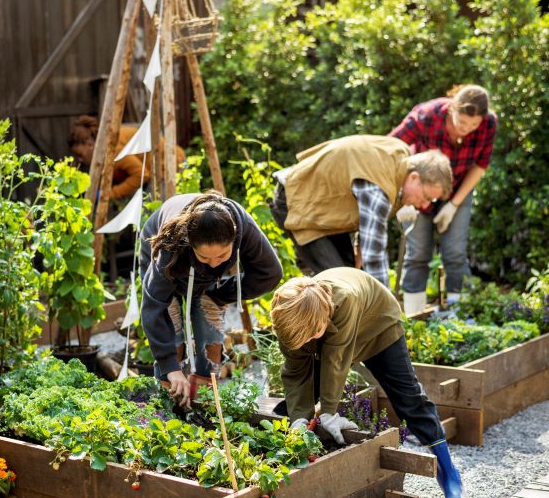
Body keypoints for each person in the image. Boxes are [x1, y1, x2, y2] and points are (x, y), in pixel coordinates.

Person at [270, 267, 470, 498]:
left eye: (313, 335)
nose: (306, 342)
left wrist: (329, 411)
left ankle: (449, 474)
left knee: (408, 399)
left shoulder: (345, 299)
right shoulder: (289, 316)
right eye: (302, 340)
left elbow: (336, 360)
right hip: (324, 330)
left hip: (377, 325)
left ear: (320, 321)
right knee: (294, 405)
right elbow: (295, 373)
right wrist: (299, 419)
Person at [140, 192, 283, 406]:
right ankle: (166, 403)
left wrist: (220, 295)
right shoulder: (170, 244)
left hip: (204, 278)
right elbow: (153, 307)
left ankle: (204, 400)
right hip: (165, 258)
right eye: (205, 257)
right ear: (190, 243)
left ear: (235, 240)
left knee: (209, 321)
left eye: (222, 256)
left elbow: (270, 273)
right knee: (174, 331)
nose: (215, 264)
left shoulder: (244, 228)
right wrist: (170, 367)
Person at [270, 134, 453, 288]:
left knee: (350, 276)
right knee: (341, 284)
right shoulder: (379, 187)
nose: (423, 206)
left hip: (323, 208)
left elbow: (363, 213)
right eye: (426, 197)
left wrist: (360, 247)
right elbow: (374, 256)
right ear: (414, 178)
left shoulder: (400, 157)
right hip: (297, 200)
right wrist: (387, 314)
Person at [389, 85, 497, 314]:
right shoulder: (427, 115)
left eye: (473, 125)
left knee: (455, 253)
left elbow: (480, 165)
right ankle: (413, 315)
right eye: (462, 121)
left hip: (459, 189)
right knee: (417, 254)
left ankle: (461, 316)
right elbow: (391, 147)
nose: (466, 129)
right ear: (452, 109)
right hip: (421, 188)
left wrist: (454, 204)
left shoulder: (489, 123)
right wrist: (399, 193)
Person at [68, 115, 186, 200]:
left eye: (80, 155)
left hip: (171, 162)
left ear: (89, 145)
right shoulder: (103, 150)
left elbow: (142, 174)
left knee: (151, 213)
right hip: (158, 169)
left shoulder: (112, 151)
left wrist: (110, 194)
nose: (80, 160)